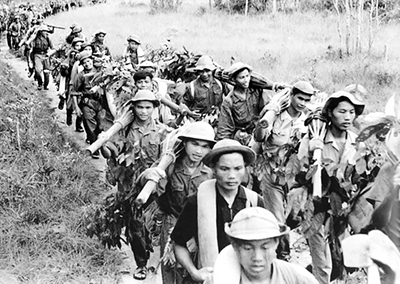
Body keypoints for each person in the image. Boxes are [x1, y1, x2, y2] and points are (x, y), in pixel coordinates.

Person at [170, 139, 264, 283]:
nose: (231, 176)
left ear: (245, 168)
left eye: (238, 168)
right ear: (213, 169)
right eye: (224, 169)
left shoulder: (254, 202)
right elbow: (178, 243)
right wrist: (194, 273)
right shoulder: (197, 201)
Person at [296, 91, 365, 284]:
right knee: (322, 261)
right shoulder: (315, 139)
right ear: (330, 112)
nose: (347, 117)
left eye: (352, 112)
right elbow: (299, 175)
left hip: (342, 209)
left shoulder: (357, 142)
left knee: (340, 258)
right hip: (316, 206)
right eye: (342, 111)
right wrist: (311, 151)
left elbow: (360, 177)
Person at [101, 90, 170, 281]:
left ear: (155, 109)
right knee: (136, 225)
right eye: (140, 107)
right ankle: (141, 263)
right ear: (133, 108)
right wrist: (104, 145)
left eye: (148, 107)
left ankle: (157, 259)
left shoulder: (163, 131)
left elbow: (167, 157)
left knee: (156, 224)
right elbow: (113, 152)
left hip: (155, 186)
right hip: (131, 186)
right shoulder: (124, 131)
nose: (144, 111)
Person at [139, 121, 216, 284]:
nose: (198, 150)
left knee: (199, 269)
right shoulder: (170, 167)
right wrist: (149, 174)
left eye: (204, 146)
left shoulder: (210, 172)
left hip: (200, 226)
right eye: (194, 144)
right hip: (173, 222)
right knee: (172, 268)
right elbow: (148, 186)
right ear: (185, 143)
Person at [251, 81, 316, 260]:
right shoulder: (276, 115)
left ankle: (271, 240)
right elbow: (259, 137)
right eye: (299, 98)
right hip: (271, 173)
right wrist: (264, 125)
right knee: (278, 218)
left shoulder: (308, 120)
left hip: (295, 177)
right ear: (292, 96)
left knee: (295, 217)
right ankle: (283, 255)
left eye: (306, 100)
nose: (302, 103)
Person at [205, 207, 318, 284]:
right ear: (235, 247)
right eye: (248, 248)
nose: (257, 257)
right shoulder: (218, 280)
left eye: (265, 247)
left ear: (276, 243)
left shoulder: (297, 278)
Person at [216, 62, 283, 145]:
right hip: (243, 137)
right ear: (233, 80)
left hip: (260, 130)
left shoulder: (257, 91)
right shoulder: (229, 101)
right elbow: (224, 129)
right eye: (241, 77)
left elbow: (268, 109)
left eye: (247, 76)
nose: (246, 80)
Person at [70, 52, 113, 158]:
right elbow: (74, 92)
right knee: (90, 127)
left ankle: (97, 143)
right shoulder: (80, 76)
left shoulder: (101, 73)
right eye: (84, 63)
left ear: (92, 61)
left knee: (101, 126)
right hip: (87, 103)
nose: (87, 64)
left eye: (88, 61)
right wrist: (76, 108)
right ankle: (95, 149)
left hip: (101, 104)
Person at [30, 25, 54, 90]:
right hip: (37, 55)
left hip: (46, 56)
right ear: (41, 32)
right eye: (44, 31)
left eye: (47, 31)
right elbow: (31, 46)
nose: (46, 32)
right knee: (37, 71)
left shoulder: (48, 38)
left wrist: (49, 54)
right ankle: (40, 83)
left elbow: (53, 48)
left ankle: (46, 85)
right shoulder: (35, 38)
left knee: (47, 72)